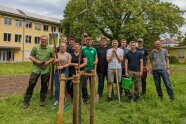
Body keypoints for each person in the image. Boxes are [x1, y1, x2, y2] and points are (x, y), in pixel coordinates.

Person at [22, 35, 54, 108]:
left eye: (45, 40)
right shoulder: (35, 47)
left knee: (44, 85)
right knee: (31, 84)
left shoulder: (50, 48)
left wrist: (48, 62)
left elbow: (53, 57)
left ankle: (42, 100)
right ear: (40, 40)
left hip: (46, 70)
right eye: (42, 39)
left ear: (47, 41)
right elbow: (30, 56)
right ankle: (26, 101)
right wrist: (37, 61)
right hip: (36, 69)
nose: (44, 41)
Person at [82, 37, 98, 102]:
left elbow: (96, 57)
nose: (89, 42)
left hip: (92, 69)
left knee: (92, 83)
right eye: (87, 41)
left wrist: (96, 61)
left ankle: (93, 96)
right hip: (85, 69)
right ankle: (85, 96)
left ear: (91, 42)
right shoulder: (83, 49)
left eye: (90, 41)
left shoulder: (94, 49)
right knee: (84, 84)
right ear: (85, 42)